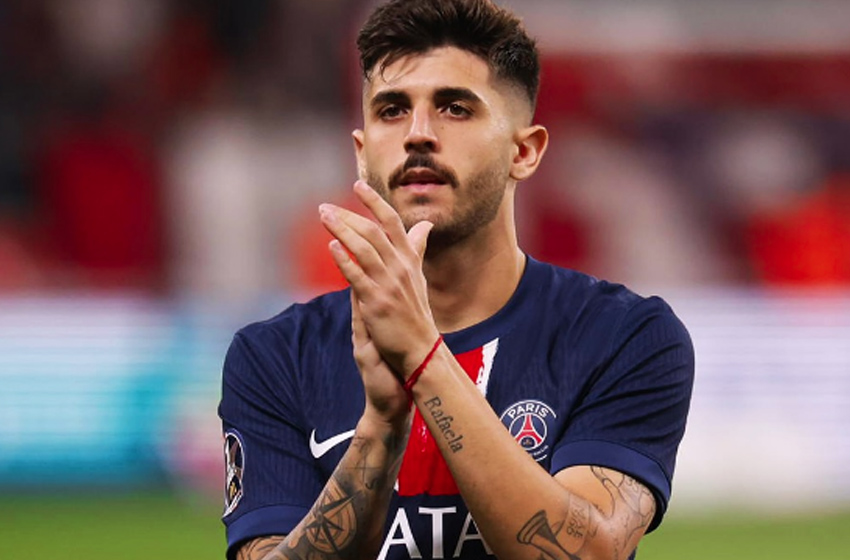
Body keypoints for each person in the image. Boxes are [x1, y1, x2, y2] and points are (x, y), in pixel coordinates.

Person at [218, 1, 695, 559]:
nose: (418, 134)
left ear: (524, 151)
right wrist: (381, 428)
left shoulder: (623, 336)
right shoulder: (275, 357)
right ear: (362, 153)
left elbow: (589, 553)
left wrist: (424, 358)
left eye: (455, 108)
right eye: (392, 110)